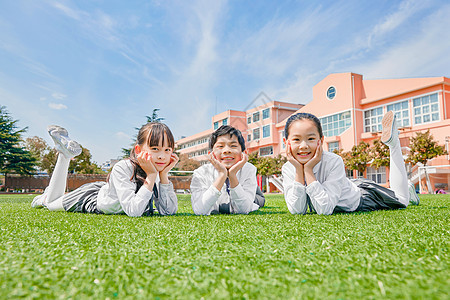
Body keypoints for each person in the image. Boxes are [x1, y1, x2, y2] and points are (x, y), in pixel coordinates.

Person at [282, 111, 420, 215]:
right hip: (346, 185)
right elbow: (297, 210)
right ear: (286, 142)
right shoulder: (288, 168)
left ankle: (393, 143)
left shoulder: (334, 161)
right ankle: (406, 188)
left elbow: (325, 209)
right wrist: (299, 171)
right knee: (397, 195)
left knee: (402, 201)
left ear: (321, 140)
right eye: (296, 140)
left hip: (362, 196)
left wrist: (308, 171)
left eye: (311, 138)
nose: (304, 146)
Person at [31, 122, 179, 217]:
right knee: (50, 204)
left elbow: (168, 211)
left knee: (52, 199)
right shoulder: (124, 167)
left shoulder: (156, 170)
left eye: (167, 149)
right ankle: (64, 155)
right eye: (155, 148)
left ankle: (46, 194)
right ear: (138, 150)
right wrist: (152, 176)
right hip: (92, 198)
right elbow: (134, 211)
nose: (162, 156)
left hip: (110, 191)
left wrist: (163, 175)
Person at [190, 125, 265, 215]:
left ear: (243, 153)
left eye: (233, 146)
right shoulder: (200, 173)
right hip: (228, 189)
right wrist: (222, 175)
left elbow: (244, 210)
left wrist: (232, 175)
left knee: (259, 201)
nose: (227, 150)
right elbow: (200, 211)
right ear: (211, 154)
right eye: (220, 146)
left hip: (250, 192)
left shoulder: (249, 169)